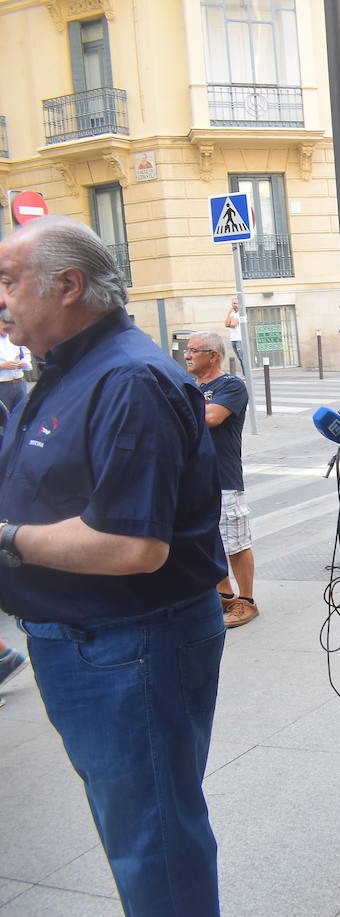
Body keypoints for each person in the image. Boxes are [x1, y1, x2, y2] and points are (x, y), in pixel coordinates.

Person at [0, 215, 227, 913]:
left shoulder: (127, 378)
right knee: (139, 826)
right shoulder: (70, 369)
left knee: (153, 840)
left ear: (68, 286)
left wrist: (7, 538)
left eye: (8, 281)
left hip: (127, 647)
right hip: (95, 647)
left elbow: (134, 546)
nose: (0, 298)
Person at [186, 330, 261, 628]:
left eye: (193, 350)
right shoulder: (188, 387)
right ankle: (224, 596)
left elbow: (212, 418)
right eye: (186, 350)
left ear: (213, 355)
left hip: (224, 478)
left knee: (235, 542)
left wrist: (176, 409)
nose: (187, 355)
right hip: (193, 478)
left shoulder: (230, 385)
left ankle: (247, 601)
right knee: (207, 541)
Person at [0, 311, 30, 415]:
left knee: (22, 415)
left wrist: (24, 362)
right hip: (2, 384)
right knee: (4, 418)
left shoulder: (14, 337)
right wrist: (2, 366)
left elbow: (26, 352)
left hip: (19, 382)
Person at [224, 298, 245, 372]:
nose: (235, 305)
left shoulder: (241, 313)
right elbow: (226, 323)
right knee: (239, 358)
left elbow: (233, 325)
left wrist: (229, 324)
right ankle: (244, 374)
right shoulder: (232, 314)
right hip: (233, 339)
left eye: (236, 303)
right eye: (233, 303)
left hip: (239, 339)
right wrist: (229, 313)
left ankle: (245, 374)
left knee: (242, 358)